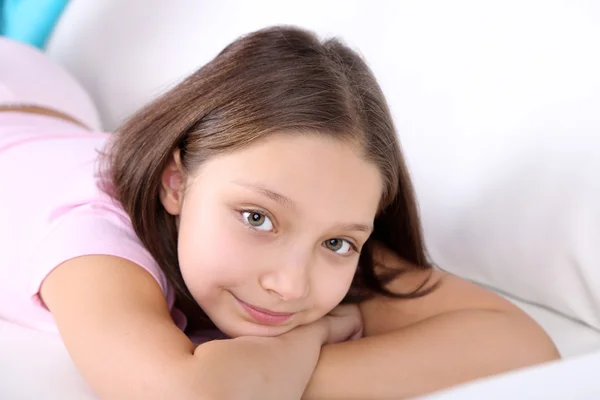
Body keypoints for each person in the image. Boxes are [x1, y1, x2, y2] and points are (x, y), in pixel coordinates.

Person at [0, 26, 559, 399]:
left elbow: (522, 346)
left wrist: (264, 373)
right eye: (257, 219)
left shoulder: (316, 210)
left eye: (338, 244)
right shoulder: (93, 240)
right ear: (176, 182)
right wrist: (308, 339)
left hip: (52, 106)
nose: (291, 286)